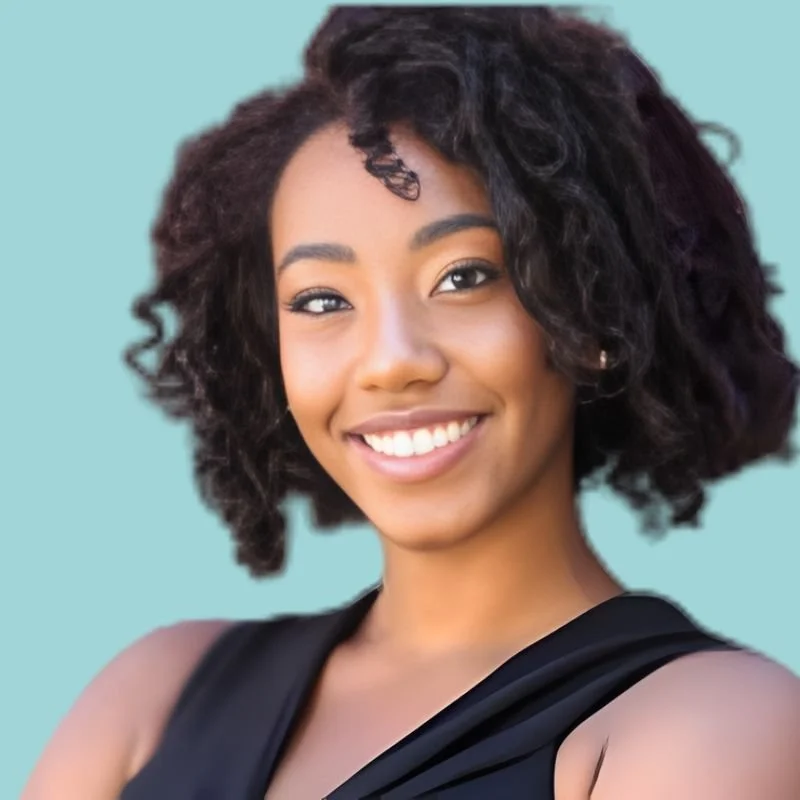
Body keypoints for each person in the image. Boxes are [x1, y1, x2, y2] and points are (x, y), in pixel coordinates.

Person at [22, 6, 800, 800]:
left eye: (464, 277)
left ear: (592, 315)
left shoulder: (713, 724)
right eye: (322, 300)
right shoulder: (154, 693)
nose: (392, 361)